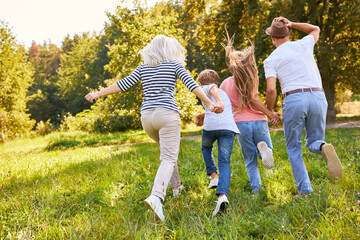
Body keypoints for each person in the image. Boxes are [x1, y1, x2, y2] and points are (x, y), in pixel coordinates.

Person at [85, 35, 223, 222]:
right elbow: (192, 85)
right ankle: (157, 196)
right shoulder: (174, 66)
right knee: (168, 157)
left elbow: (122, 84)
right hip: (166, 115)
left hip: (147, 118)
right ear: (170, 50)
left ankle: (176, 188)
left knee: (167, 153)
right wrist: (209, 103)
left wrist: (97, 94)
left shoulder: (143, 68)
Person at [263, 17, 343, 196]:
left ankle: (305, 191)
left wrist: (270, 111)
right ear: (289, 34)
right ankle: (323, 147)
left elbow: (270, 90)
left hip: (294, 99)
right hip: (317, 95)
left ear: (272, 38)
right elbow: (315, 29)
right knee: (314, 141)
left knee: (293, 148)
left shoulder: (271, 59)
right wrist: (291, 24)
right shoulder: (304, 44)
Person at [219, 36, 281, 194]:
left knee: (249, 160)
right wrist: (270, 114)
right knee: (267, 150)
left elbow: (221, 106)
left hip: (240, 124)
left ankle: (256, 190)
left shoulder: (226, 83)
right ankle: (264, 151)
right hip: (259, 121)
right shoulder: (253, 79)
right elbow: (254, 99)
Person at [195, 69, 240, 216]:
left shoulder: (205, 88)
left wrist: (218, 101)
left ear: (200, 83)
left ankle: (213, 176)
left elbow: (211, 89)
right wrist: (202, 114)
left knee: (206, 147)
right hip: (228, 128)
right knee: (224, 162)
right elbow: (217, 104)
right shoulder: (223, 92)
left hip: (211, 128)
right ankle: (222, 196)